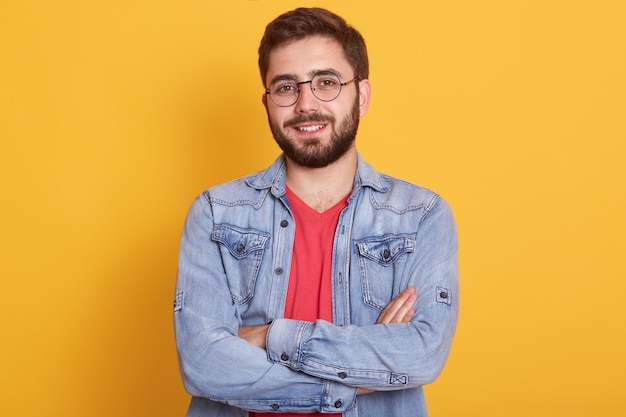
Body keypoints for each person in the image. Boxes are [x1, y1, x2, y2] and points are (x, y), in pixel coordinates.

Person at [174, 7, 458, 417]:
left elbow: (421, 355)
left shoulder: (420, 216)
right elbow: (203, 365)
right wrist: (355, 376)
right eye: (286, 87)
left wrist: (272, 336)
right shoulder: (216, 214)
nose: (307, 104)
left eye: (327, 82)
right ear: (267, 102)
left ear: (361, 96)